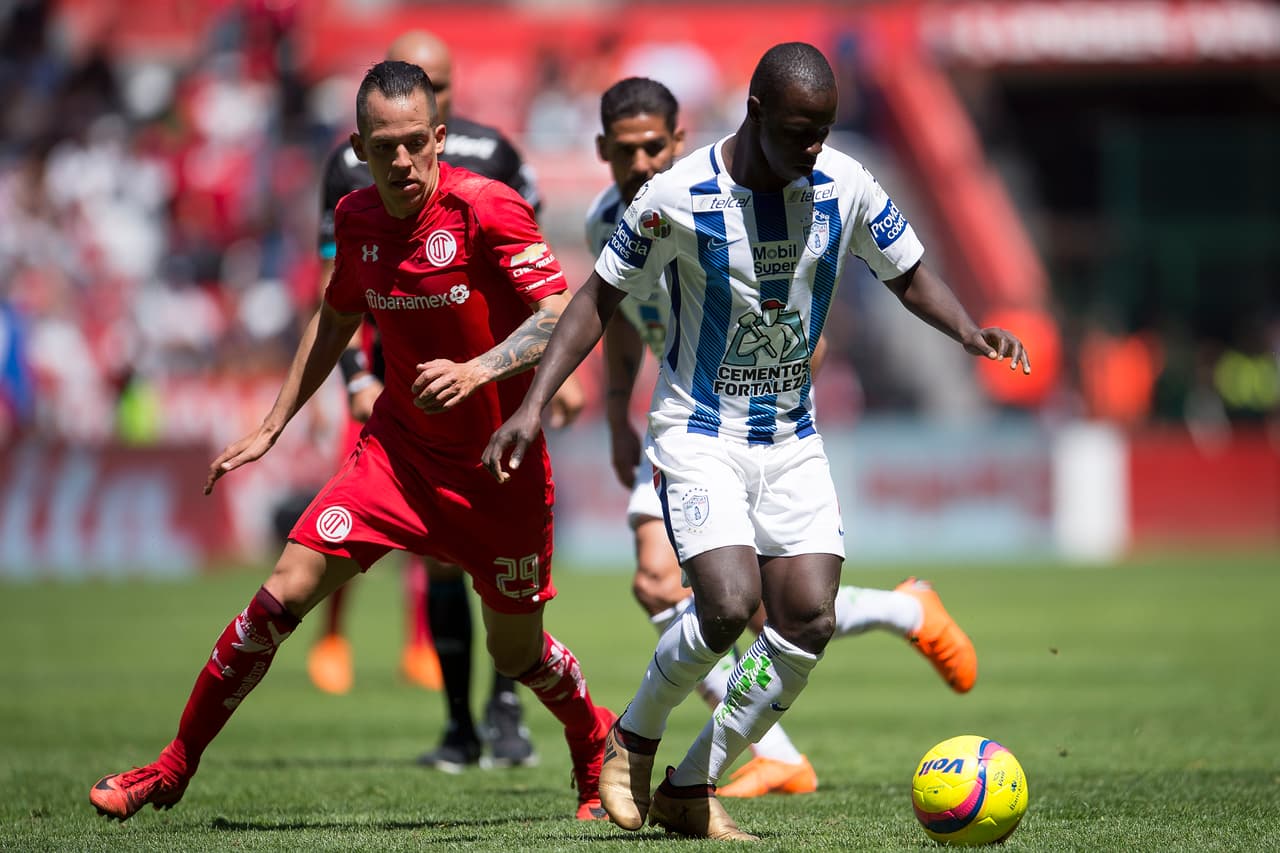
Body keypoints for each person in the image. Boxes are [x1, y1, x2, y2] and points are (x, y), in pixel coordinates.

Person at [485, 43, 1030, 840]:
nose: (814, 147)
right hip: (699, 433)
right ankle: (632, 739)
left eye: (824, 131)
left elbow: (908, 271)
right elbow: (597, 299)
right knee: (727, 602)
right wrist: (534, 402)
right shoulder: (677, 195)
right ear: (755, 113)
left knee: (807, 616)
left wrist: (969, 331)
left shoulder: (844, 183)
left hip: (791, 437)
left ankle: (691, 784)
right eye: (799, 132)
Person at [90, 59, 614, 824]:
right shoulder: (356, 217)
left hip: (497, 474)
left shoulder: (487, 207)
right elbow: (336, 317)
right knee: (280, 594)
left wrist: (478, 370)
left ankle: (594, 740)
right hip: (397, 461)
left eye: (414, 142)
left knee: (516, 653)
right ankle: (172, 766)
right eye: (384, 146)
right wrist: (272, 425)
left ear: (439, 138)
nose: (401, 161)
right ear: (360, 149)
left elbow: (559, 313)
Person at [587, 77, 982, 801]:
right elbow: (614, 318)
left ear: (678, 140)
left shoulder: (798, 189)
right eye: (624, 150)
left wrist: (769, 398)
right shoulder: (629, 216)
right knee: (707, 596)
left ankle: (730, 764)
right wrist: (614, 411)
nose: (640, 162)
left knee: (785, 610)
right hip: (687, 423)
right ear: (601, 151)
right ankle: (685, 746)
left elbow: (826, 319)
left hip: (772, 426)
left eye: (653, 146)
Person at [312, 30, 584, 772]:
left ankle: (506, 709)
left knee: (502, 571)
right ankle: (460, 723)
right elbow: (335, 294)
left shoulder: (494, 158)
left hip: (494, 391)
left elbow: (540, 289)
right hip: (405, 390)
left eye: (439, 83)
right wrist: (356, 379)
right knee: (434, 559)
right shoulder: (349, 171)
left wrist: (554, 378)